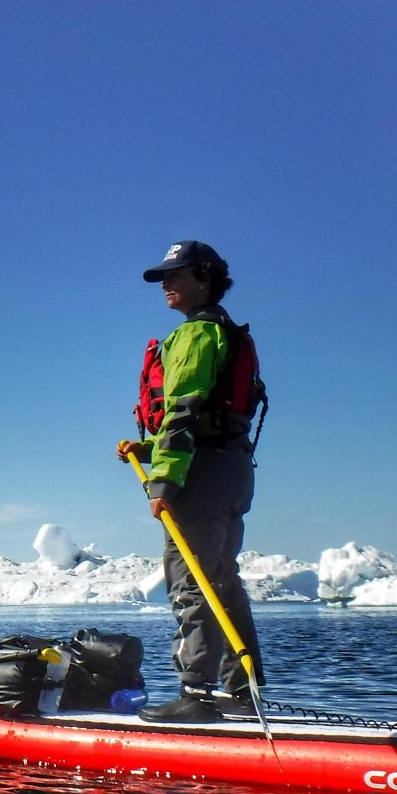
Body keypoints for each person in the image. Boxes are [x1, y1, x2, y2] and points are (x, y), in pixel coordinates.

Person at [117, 240, 264, 723]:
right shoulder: (223, 332)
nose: (166, 286)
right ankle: (242, 691)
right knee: (221, 578)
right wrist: (148, 449)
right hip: (232, 469)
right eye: (163, 278)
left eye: (175, 276)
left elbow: (183, 411)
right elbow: (202, 419)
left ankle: (196, 694)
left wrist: (163, 483)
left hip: (199, 472)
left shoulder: (198, 335)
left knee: (191, 580)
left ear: (204, 278)